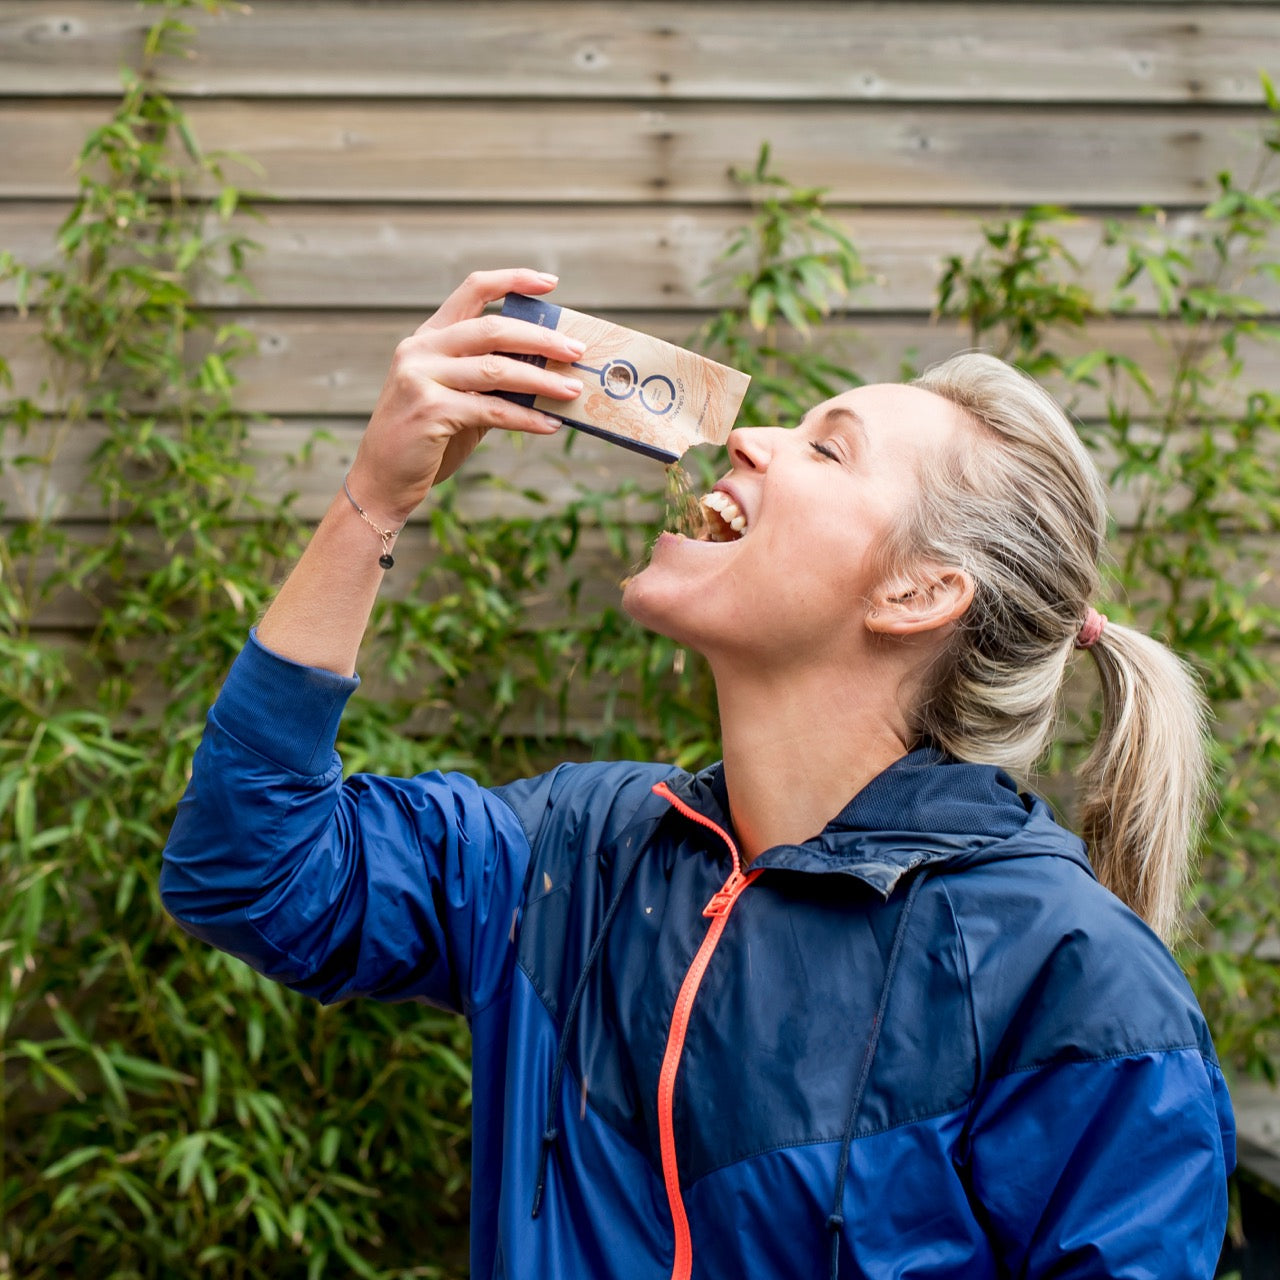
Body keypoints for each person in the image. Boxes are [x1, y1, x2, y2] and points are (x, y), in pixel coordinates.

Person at [161, 268, 1235, 1279]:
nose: (749, 439)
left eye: (827, 450)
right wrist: (372, 502)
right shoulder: (572, 850)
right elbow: (249, 869)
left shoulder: (1073, 981)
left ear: (915, 593)